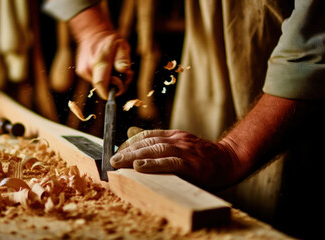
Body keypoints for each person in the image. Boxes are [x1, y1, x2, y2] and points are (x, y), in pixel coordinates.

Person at [44, 0, 325, 238]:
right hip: (207, 52)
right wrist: (92, 30)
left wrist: (234, 152)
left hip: (295, 96)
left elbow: (315, 47)